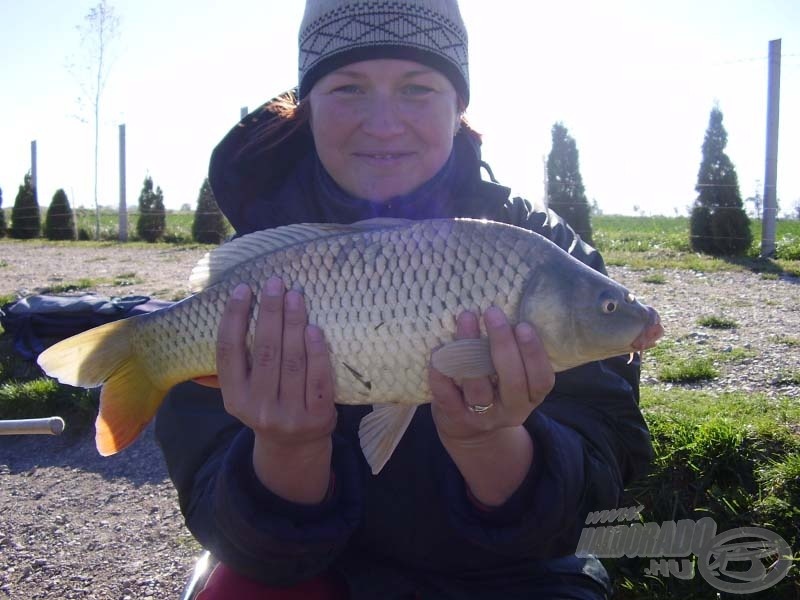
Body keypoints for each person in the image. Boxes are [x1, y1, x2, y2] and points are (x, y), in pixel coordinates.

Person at [156, 1, 653, 598]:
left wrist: (491, 441)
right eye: (348, 88)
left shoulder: (538, 251)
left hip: (508, 574)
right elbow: (235, 533)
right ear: (306, 104)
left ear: (459, 106)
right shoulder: (261, 274)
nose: (384, 123)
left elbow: (601, 478)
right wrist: (289, 448)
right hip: (316, 570)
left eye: (417, 88)